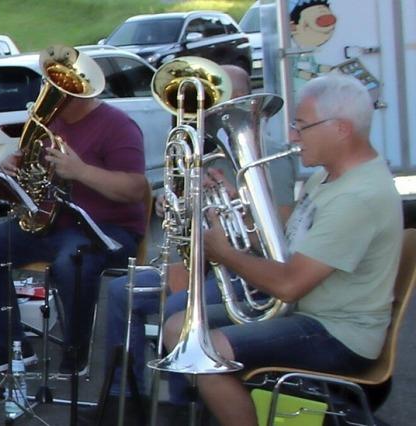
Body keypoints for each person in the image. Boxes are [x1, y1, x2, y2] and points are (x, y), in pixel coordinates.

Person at [163, 73, 402, 426]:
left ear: (341, 128)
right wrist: (237, 212)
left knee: (200, 351)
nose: (292, 136)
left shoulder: (358, 197)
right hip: (309, 312)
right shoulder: (329, 177)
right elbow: (288, 250)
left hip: (337, 333)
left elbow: (289, 284)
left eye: (301, 126)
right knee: (177, 327)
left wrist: (226, 254)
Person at [101, 65, 297, 409]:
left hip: (247, 274)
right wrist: (174, 204)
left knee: (179, 309)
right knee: (122, 291)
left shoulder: (268, 153)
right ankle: (125, 396)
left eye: (215, 99)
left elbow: (276, 233)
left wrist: (233, 200)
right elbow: (188, 232)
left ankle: (185, 403)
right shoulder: (201, 152)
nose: (204, 109)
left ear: (241, 98)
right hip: (201, 265)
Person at [0, 83, 147, 375]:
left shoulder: (118, 125)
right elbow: (30, 173)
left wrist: (80, 171)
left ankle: (76, 351)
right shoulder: (47, 123)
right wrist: (11, 168)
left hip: (106, 231)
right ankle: (10, 346)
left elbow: (135, 189)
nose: (46, 93)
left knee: (71, 263)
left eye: (55, 88)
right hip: (50, 224)